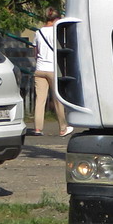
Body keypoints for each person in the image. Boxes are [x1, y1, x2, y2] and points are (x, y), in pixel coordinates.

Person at [31, 7, 73, 137]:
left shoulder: (38, 32)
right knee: (58, 100)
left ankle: (38, 128)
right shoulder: (57, 32)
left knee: (40, 100)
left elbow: (35, 52)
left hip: (40, 69)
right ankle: (62, 128)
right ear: (56, 19)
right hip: (54, 69)